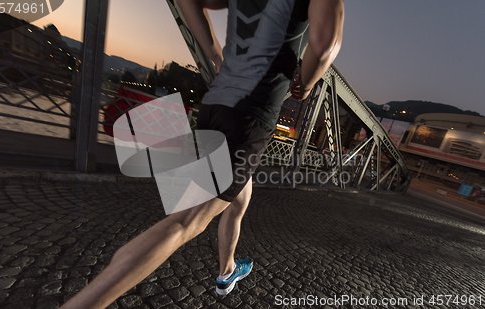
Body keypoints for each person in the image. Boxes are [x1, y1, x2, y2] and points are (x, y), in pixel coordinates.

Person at [61, 0, 343, 307]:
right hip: (249, 116)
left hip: (215, 106)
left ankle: (227, 270)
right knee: (184, 222)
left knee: (238, 198)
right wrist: (307, 81)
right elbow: (325, 44)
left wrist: (212, 51)